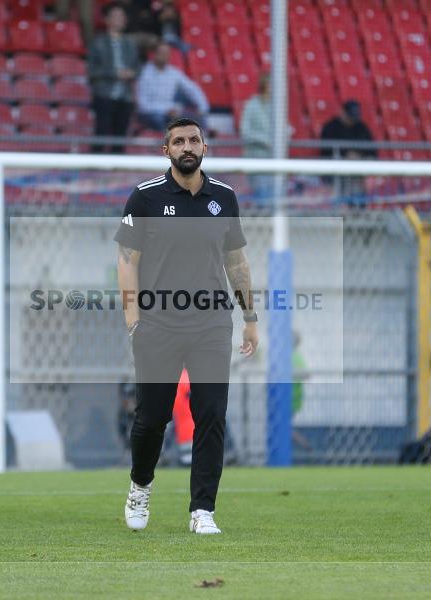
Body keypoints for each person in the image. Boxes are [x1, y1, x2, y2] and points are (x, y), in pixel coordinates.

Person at [115, 117, 258, 534]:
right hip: (157, 324)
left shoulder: (224, 198)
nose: (187, 146)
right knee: (152, 418)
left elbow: (236, 261)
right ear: (167, 151)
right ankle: (140, 486)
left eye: (194, 139)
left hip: (211, 324)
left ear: (204, 147)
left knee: (211, 413)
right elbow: (126, 262)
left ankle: (202, 510)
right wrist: (133, 321)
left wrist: (250, 317)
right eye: (178, 141)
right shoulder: (145, 197)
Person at [88, 3, 141, 154]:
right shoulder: (97, 43)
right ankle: (95, 164)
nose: (120, 19)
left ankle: (117, 167)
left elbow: (138, 68)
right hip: (104, 95)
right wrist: (114, 73)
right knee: (101, 133)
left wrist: (131, 73)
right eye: (116, 16)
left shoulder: (130, 44)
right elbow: (92, 71)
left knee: (120, 136)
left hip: (125, 96)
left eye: (122, 16)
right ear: (107, 20)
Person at [136, 42, 209, 131]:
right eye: (162, 53)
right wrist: (165, 110)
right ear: (154, 54)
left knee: (195, 119)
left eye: (167, 53)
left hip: (170, 111)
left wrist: (202, 107)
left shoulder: (173, 73)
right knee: (161, 120)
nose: (165, 56)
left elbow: (192, 89)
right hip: (150, 113)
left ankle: (207, 133)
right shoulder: (144, 73)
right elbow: (142, 105)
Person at [240, 74, 274, 201]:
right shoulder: (251, 105)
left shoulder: (277, 107)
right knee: (261, 195)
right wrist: (264, 141)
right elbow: (245, 131)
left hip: (273, 159)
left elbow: (285, 127)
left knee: (272, 196)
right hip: (255, 157)